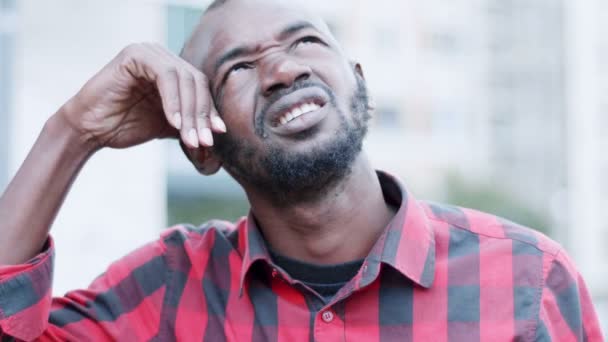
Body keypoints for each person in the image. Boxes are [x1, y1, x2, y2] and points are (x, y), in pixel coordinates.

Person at [0, 0, 603, 341]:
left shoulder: (527, 280)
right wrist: (72, 130)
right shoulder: (166, 289)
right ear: (201, 144)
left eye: (306, 42)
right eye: (237, 69)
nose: (283, 71)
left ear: (359, 81)